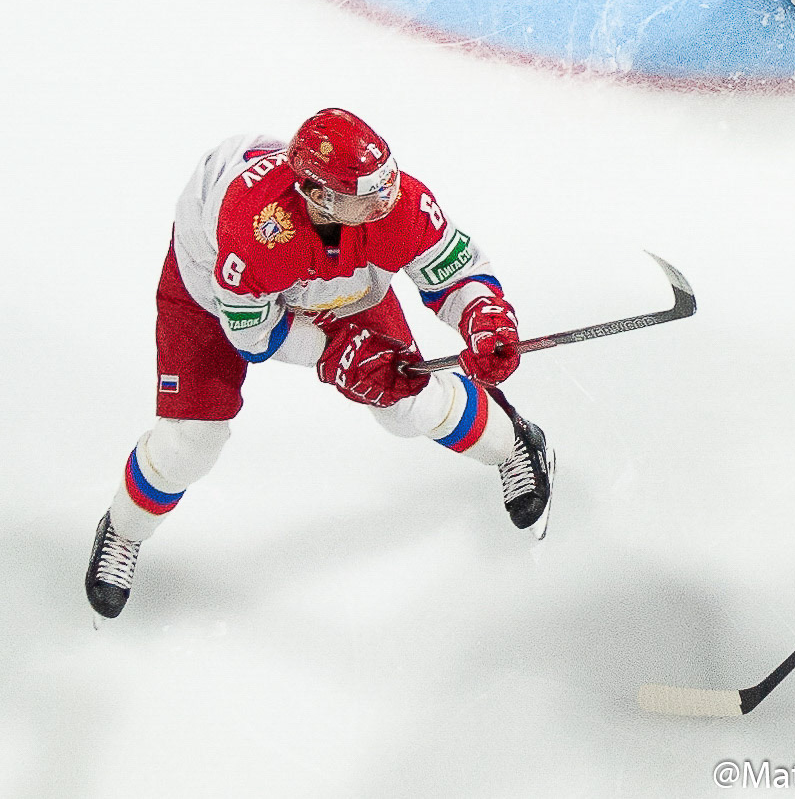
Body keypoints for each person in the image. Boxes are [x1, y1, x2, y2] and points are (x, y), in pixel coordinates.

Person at [83, 109, 551, 619]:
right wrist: (334, 354)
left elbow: (456, 272)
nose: (387, 199)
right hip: (212, 292)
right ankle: (124, 529)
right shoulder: (254, 232)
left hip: (339, 279)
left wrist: (483, 315)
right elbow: (252, 334)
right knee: (189, 443)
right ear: (317, 195)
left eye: (387, 180)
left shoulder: (395, 204)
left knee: (406, 403)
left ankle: (513, 440)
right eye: (368, 193)